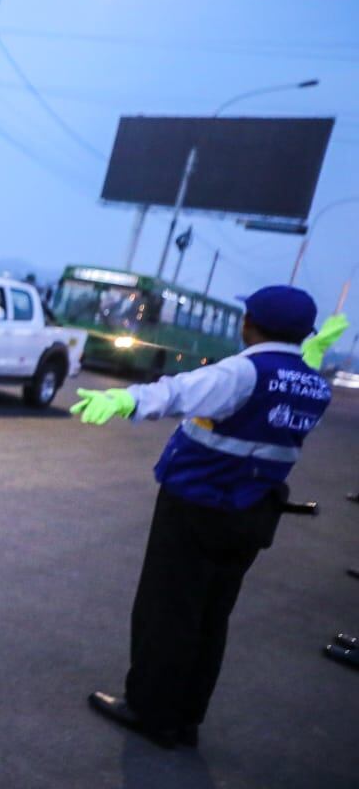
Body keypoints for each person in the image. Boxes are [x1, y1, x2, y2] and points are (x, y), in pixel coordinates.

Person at [70, 289, 347, 748]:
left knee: (167, 612)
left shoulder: (244, 370)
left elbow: (180, 392)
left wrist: (124, 401)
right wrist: (311, 357)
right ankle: (185, 719)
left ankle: (150, 712)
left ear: (250, 323)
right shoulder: (313, 383)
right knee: (210, 619)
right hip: (254, 512)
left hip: (199, 506)